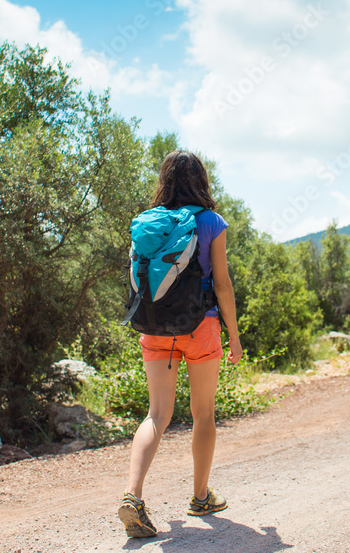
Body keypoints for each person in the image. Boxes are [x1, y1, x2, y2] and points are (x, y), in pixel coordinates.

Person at [117, 150, 243, 539]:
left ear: (164, 180)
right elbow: (221, 284)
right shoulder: (211, 222)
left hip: (155, 329)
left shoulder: (148, 222)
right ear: (201, 179)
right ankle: (201, 497)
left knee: (157, 415)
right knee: (203, 413)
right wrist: (234, 335)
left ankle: (133, 495)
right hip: (200, 327)